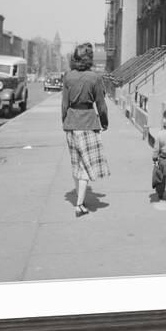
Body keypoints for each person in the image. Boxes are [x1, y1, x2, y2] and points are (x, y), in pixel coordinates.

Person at [62, 42, 110, 217]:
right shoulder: (94, 78)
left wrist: (65, 122)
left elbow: (64, 104)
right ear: (89, 59)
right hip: (88, 123)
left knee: (76, 164)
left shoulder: (68, 77)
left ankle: (78, 197)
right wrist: (104, 122)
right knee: (85, 166)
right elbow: (101, 105)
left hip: (71, 123)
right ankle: (79, 205)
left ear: (75, 58)